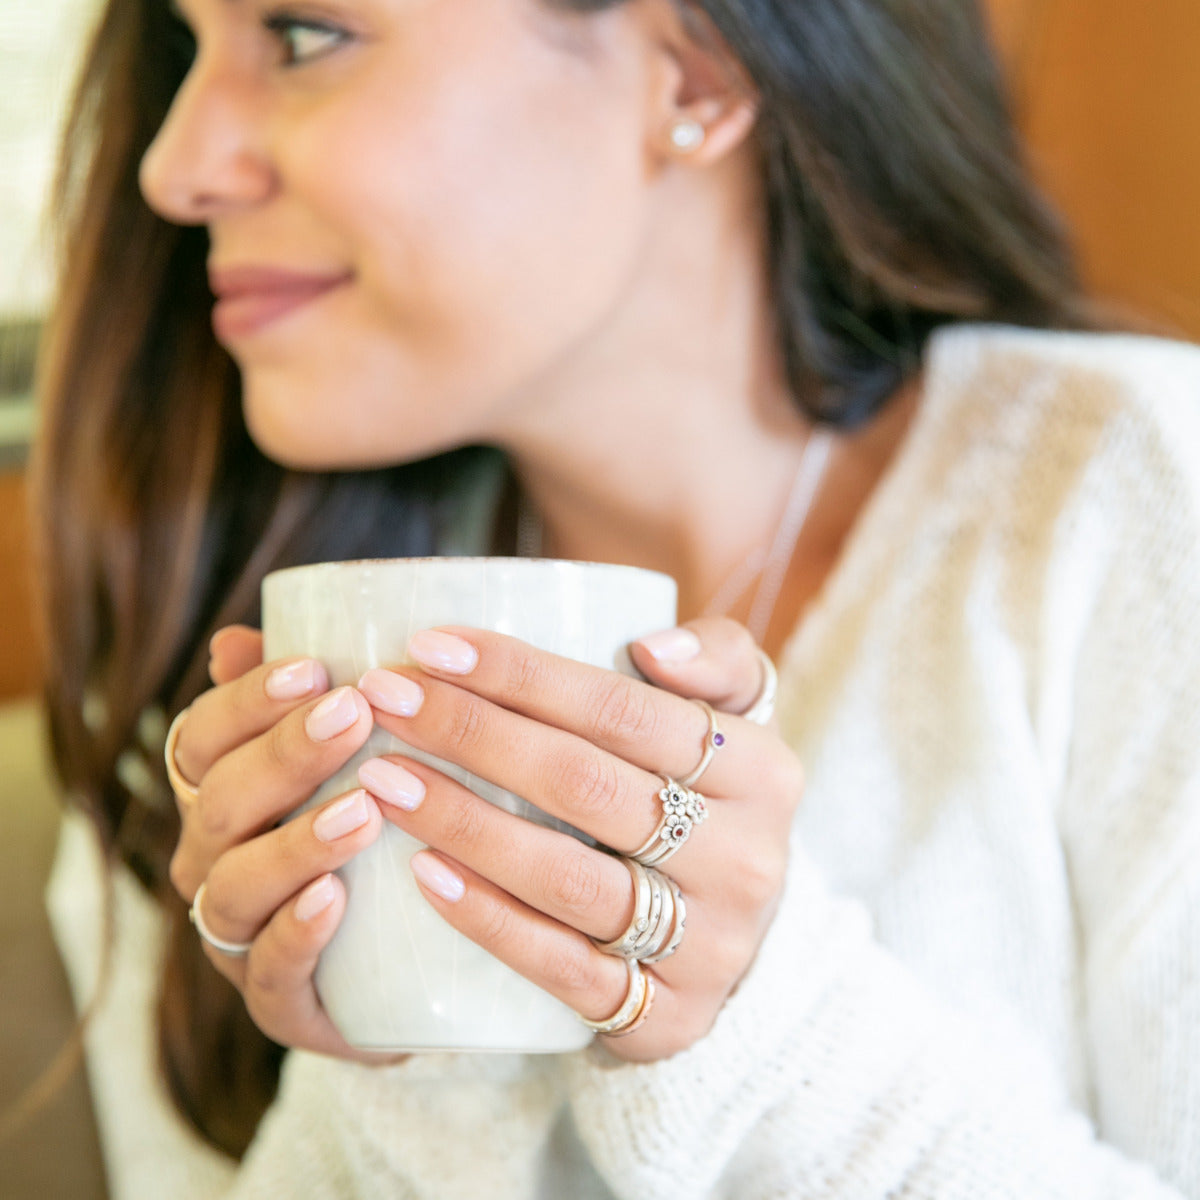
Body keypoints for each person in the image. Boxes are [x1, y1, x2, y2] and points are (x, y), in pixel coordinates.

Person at [31, 0, 1200, 1194]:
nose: (172, 170)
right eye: (185, 50)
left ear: (692, 76)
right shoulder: (206, 691)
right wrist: (407, 1037)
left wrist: (757, 1021)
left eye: (300, 35)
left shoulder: (1143, 503)